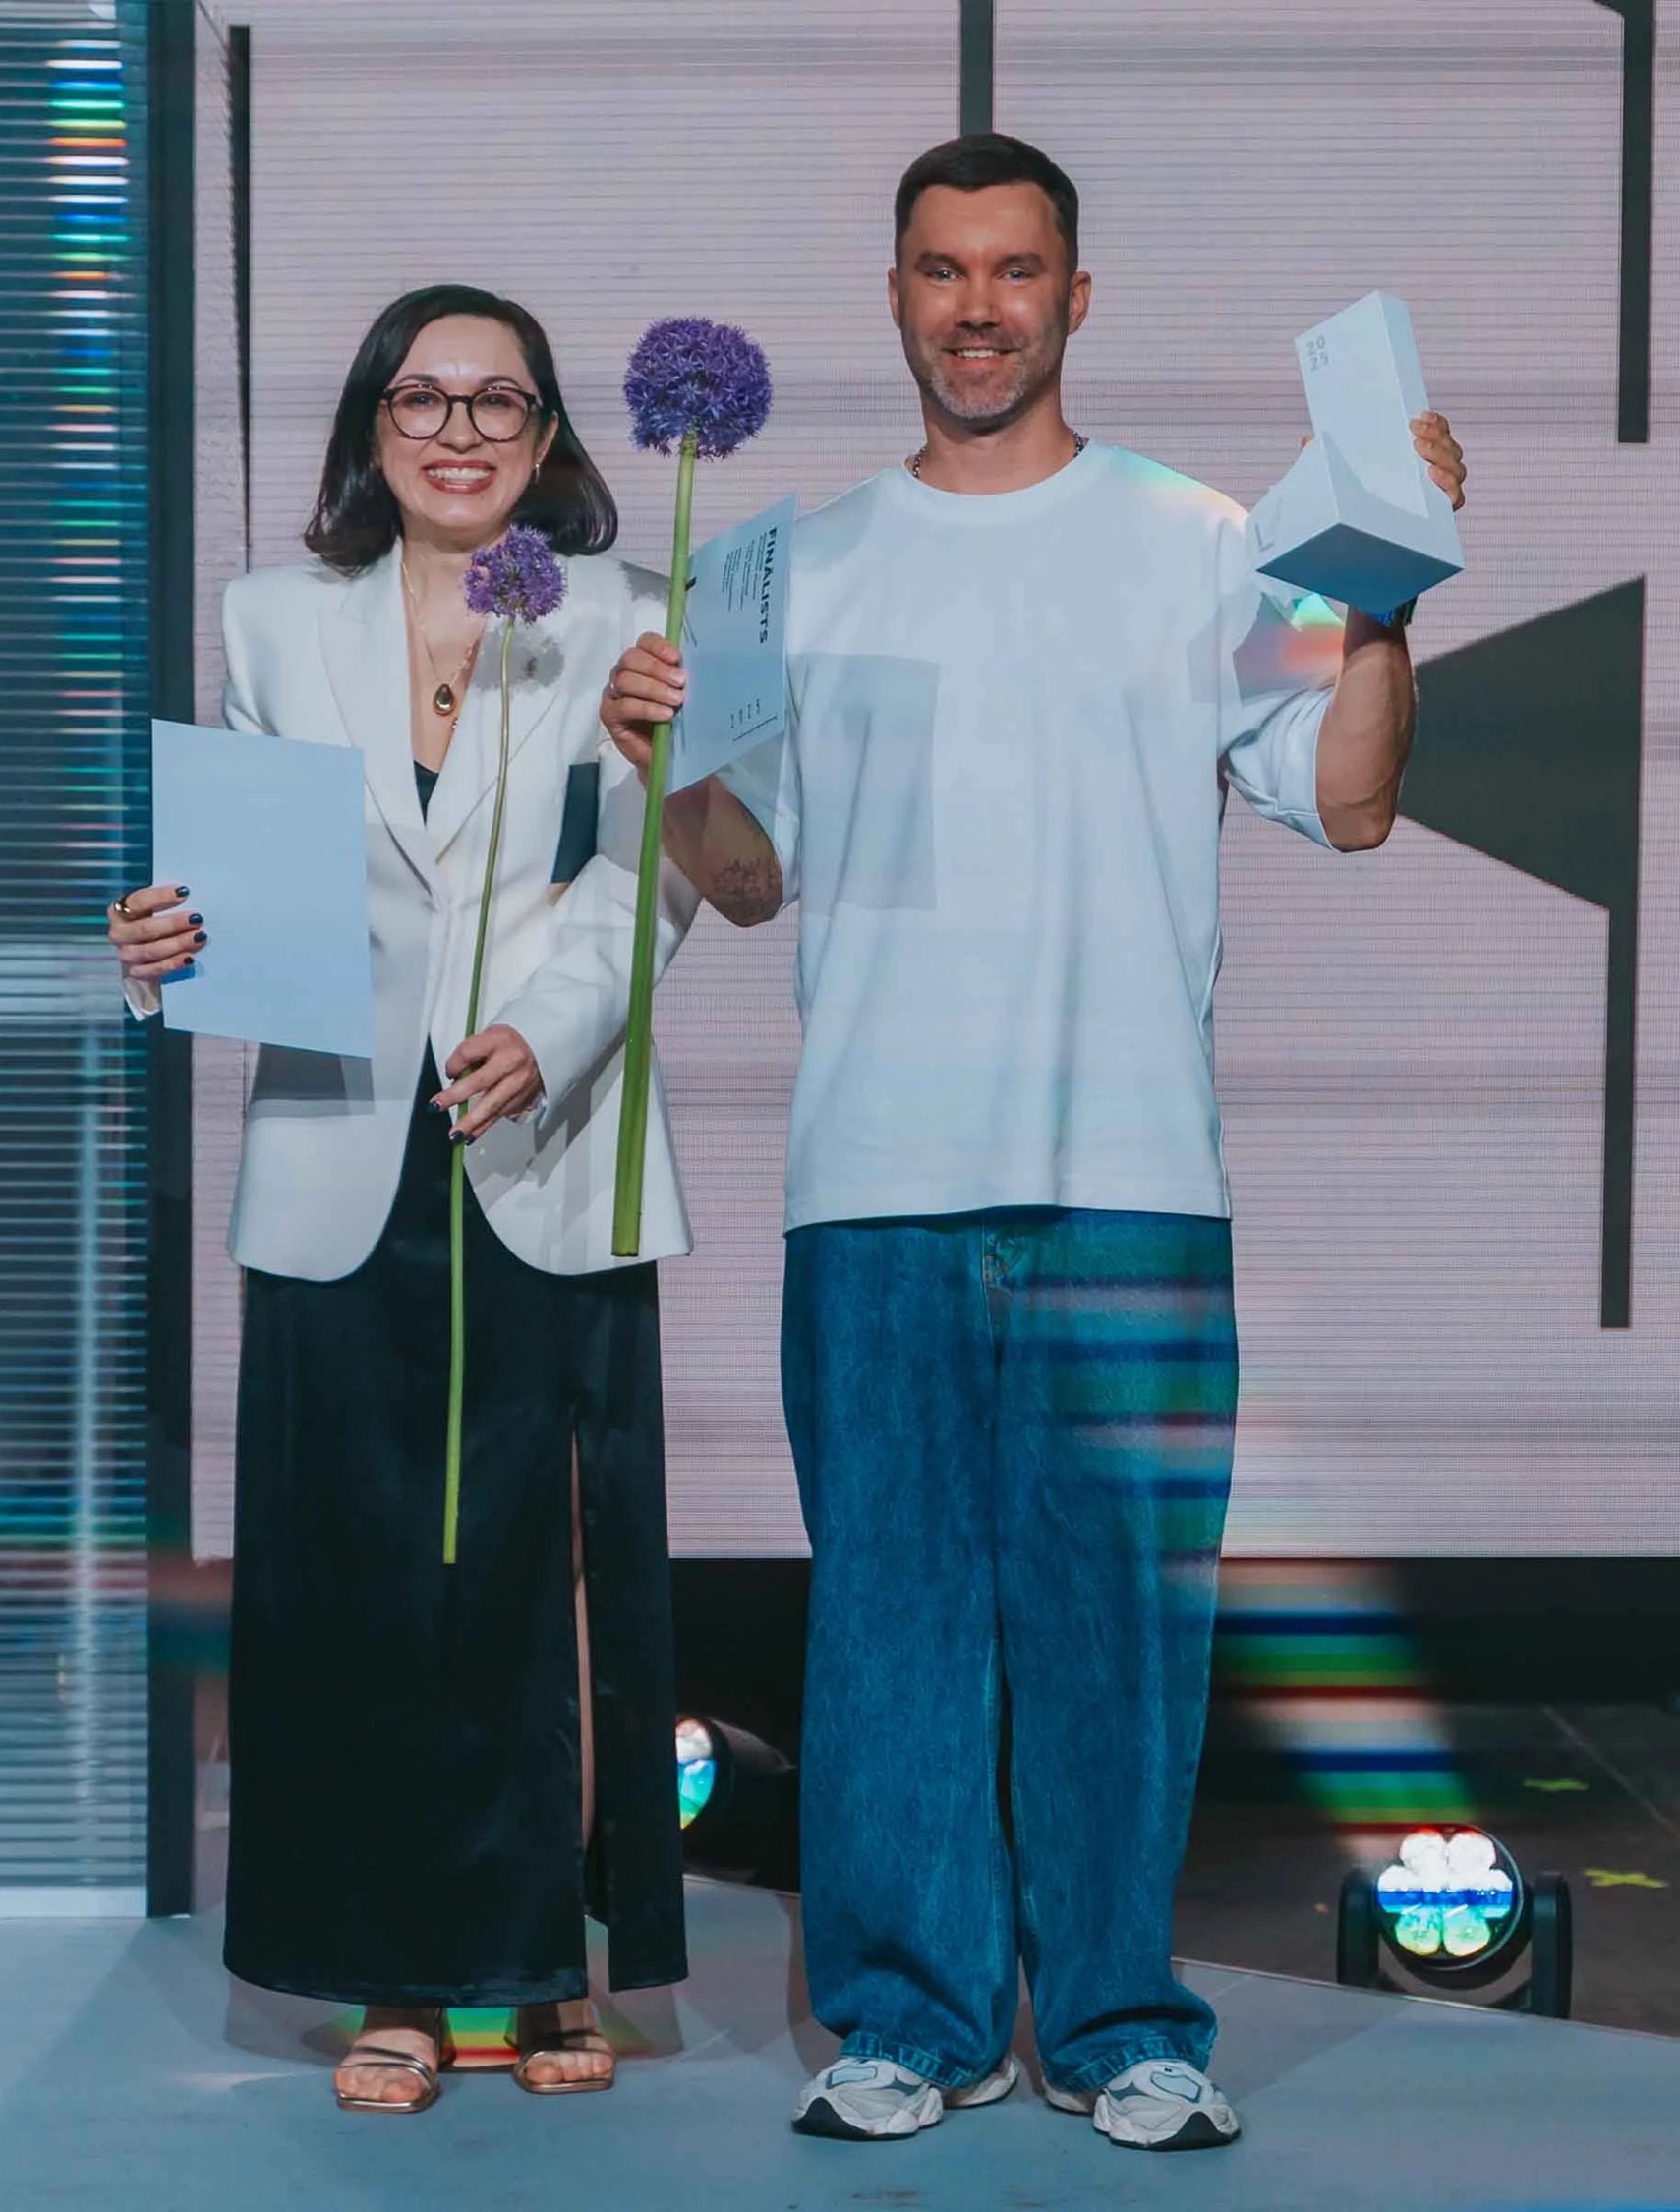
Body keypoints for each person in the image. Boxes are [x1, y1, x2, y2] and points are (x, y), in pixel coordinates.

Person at [601, 136, 1467, 2150]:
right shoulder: (774, 565)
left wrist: (1391, 591)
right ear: (890, 292)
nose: (977, 304)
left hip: (1133, 1190)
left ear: (1079, 296)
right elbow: (740, 886)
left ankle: (1116, 2024)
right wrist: (670, 765)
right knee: (891, 1619)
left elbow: (1342, 798)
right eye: (939, 269)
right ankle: (906, 2019)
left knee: (1119, 1627)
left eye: (1016, 270)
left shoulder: (1216, 544)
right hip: (877, 1191)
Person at [110, 283, 697, 2113]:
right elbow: (234, 874)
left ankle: (544, 1972)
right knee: (351, 1573)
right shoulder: (276, 620)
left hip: (542, 1136)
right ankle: (398, 1975)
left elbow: (649, 881)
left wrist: (546, 1025)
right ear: (372, 426)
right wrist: (157, 939)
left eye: (497, 399)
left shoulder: (625, 615)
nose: (458, 429)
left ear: (547, 436)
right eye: (420, 397)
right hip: (338, 1148)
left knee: (547, 1574)